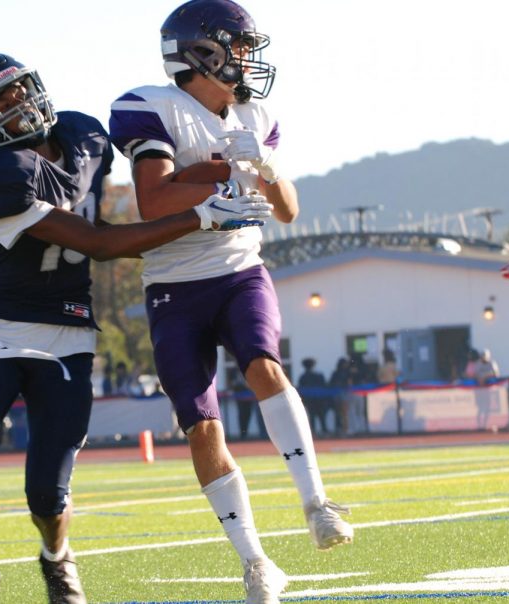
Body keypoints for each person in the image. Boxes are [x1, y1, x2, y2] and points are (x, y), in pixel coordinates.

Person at [0, 50, 272, 604]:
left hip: (70, 332)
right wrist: (202, 215)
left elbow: (141, 189)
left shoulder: (83, 135)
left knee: (47, 492)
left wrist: (222, 170)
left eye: (18, 90)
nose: (16, 104)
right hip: (0, 328)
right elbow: (99, 244)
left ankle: (56, 557)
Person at [108, 1, 353, 600]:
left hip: (241, 269)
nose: (248, 59)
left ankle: (317, 503)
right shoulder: (153, 108)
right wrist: (219, 175)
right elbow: (154, 201)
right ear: (203, 52)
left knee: (265, 366)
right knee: (201, 427)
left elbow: (289, 209)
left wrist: (263, 164)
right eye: (238, 47)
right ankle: (256, 561)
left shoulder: (254, 112)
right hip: (175, 284)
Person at [297, 358, 329, 436]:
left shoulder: (303, 377)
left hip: (309, 400)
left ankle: (313, 433)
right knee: (322, 416)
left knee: (312, 417)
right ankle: (324, 431)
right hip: (320, 399)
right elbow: (324, 387)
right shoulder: (319, 375)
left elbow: (301, 389)